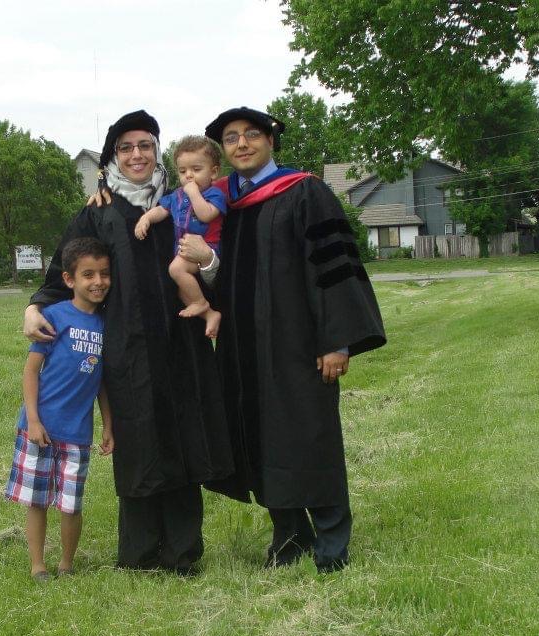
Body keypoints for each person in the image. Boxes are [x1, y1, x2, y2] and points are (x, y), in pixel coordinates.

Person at [23, 110, 232, 575]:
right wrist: (34, 306)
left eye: (145, 146)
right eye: (126, 147)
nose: (136, 154)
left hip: (181, 341)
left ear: (158, 152)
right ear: (112, 156)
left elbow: (221, 255)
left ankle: (182, 554)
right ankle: (139, 555)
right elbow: (65, 270)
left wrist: (212, 264)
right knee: (137, 442)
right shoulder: (98, 211)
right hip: (126, 348)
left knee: (181, 439)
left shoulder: (184, 200)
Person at [195, 107, 387, 572]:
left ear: (271, 142)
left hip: (300, 345)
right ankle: (289, 536)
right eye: (233, 137)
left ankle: (332, 540)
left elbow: (334, 267)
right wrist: (206, 265)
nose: (242, 143)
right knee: (262, 439)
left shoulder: (304, 191)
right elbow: (229, 281)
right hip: (245, 349)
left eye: (252, 135)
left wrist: (336, 342)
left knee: (309, 435)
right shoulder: (230, 207)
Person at [7, 236, 114, 582]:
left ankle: (67, 564)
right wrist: (34, 420)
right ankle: (38, 564)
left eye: (104, 274)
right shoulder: (52, 317)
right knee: (37, 500)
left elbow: (100, 382)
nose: (97, 282)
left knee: (71, 503)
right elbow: (30, 372)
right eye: (88, 275)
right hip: (40, 429)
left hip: (77, 433)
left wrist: (107, 425)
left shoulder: (106, 325)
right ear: (69, 279)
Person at [134, 135, 226, 338]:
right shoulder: (176, 196)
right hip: (183, 250)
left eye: (196, 169)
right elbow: (162, 210)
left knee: (175, 269)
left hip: (207, 249)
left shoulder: (214, 194)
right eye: (183, 171)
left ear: (214, 172)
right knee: (182, 288)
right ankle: (210, 314)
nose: (189, 176)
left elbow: (206, 214)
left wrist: (194, 194)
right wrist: (146, 218)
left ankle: (201, 303)